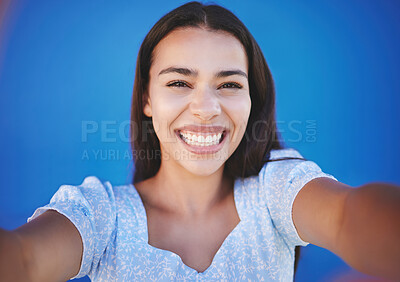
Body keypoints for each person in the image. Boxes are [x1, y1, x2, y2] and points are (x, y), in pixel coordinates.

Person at [1, 1, 399, 281]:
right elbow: (26, 260)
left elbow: (348, 217)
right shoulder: (101, 216)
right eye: (179, 82)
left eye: (228, 84)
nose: (206, 107)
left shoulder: (277, 193)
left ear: (250, 100)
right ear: (146, 100)